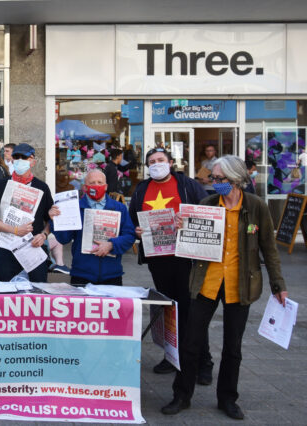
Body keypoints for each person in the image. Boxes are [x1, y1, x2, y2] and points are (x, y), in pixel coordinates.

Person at [161, 155, 288, 420]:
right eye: (213, 179)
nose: (215, 183)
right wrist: (181, 231)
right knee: (191, 343)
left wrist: (279, 284)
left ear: (236, 179)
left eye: (220, 179)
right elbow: (190, 246)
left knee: (233, 347)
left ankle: (228, 399)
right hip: (206, 284)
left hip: (239, 286)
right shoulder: (206, 204)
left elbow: (269, 248)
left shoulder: (256, 207)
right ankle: (181, 395)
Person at [129, 147, 214, 378]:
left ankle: (202, 362)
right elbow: (132, 218)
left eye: (160, 160)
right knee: (169, 309)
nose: (156, 164)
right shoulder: (142, 189)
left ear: (170, 162)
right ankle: (172, 357)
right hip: (158, 259)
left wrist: (188, 222)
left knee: (191, 311)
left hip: (186, 257)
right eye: (151, 161)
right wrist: (136, 231)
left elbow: (207, 212)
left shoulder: (187, 185)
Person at [49, 170, 135, 285]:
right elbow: (64, 239)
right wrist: (55, 220)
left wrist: (111, 245)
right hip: (81, 274)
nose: (97, 185)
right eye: (92, 183)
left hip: (112, 274)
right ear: (85, 187)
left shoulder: (119, 208)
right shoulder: (75, 208)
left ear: (106, 187)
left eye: (100, 182)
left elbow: (129, 236)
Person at [0, 143, 54, 282]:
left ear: (33, 162)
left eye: (25, 157)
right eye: (17, 157)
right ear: (12, 160)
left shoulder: (42, 187)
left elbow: (51, 219)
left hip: (34, 251)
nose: (20, 160)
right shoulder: (1, 185)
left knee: (37, 295)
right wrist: (15, 230)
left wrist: (44, 235)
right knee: (7, 296)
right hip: (7, 251)